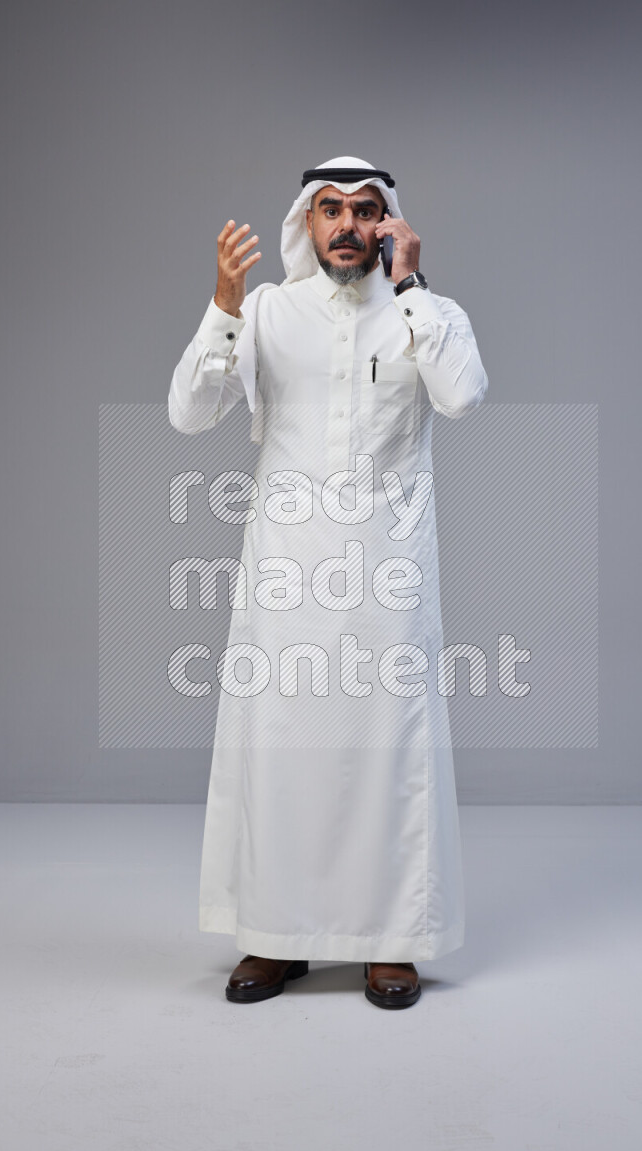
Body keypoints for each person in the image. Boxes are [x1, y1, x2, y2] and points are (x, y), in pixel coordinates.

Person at [168, 156, 488, 1009]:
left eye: (366, 210)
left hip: (389, 572)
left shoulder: (426, 312)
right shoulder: (268, 310)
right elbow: (189, 414)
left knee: (389, 754)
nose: (348, 224)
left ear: (392, 224)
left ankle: (392, 942)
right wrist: (224, 308)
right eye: (331, 210)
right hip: (286, 574)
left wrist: (413, 283)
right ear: (306, 224)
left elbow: (462, 396)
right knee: (281, 754)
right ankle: (276, 938)